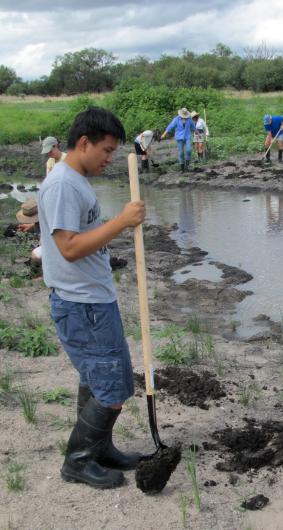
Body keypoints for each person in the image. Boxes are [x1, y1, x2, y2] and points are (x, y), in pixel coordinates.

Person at [38, 107, 145, 489]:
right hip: (82, 306)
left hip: (94, 301)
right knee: (111, 386)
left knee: (100, 379)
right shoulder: (64, 184)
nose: (110, 158)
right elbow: (67, 247)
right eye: (107, 150)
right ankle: (78, 461)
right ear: (84, 143)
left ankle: (100, 448)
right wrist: (122, 222)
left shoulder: (76, 180)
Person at [160, 108, 195, 172]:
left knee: (189, 150)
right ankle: (182, 168)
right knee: (181, 153)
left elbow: (193, 127)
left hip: (187, 136)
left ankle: (187, 165)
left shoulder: (189, 119)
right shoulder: (176, 119)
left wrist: (198, 133)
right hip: (179, 137)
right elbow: (170, 126)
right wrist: (164, 134)